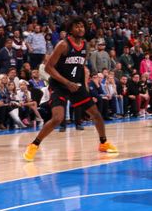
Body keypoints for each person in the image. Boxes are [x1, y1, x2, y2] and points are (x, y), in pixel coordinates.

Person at [23, 17, 118, 162]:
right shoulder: (63, 44)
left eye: (82, 26)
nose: (80, 29)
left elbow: (80, 67)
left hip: (76, 85)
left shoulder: (85, 46)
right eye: (77, 26)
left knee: (96, 115)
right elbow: (49, 67)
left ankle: (103, 143)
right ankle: (34, 145)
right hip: (59, 85)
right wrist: (67, 83)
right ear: (70, 29)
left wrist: (84, 84)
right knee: (57, 118)